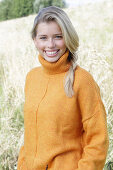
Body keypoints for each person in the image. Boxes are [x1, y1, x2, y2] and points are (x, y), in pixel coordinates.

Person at [17, 6, 109, 170]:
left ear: (68, 38)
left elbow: (98, 140)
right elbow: (30, 134)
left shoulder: (82, 80)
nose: (51, 45)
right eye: (43, 37)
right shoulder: (32, 77)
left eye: (58, 37)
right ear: (35, 40)